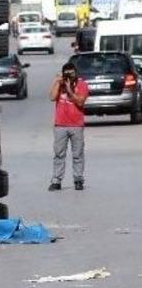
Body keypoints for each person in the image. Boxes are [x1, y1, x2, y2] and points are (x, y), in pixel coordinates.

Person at [48, 62, 89, 191]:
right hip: (60, 125)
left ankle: (78, 179)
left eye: (71, 73)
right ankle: (56, 179)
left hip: (76, 125)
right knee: (59, 153)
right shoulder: (60, 85)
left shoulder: (82, 85)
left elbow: (80, 101)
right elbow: (52, 97)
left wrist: (70, 90)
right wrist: (56, 82)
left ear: (76, 73)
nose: (69, 76)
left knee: (77, 154)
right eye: (67, 73)